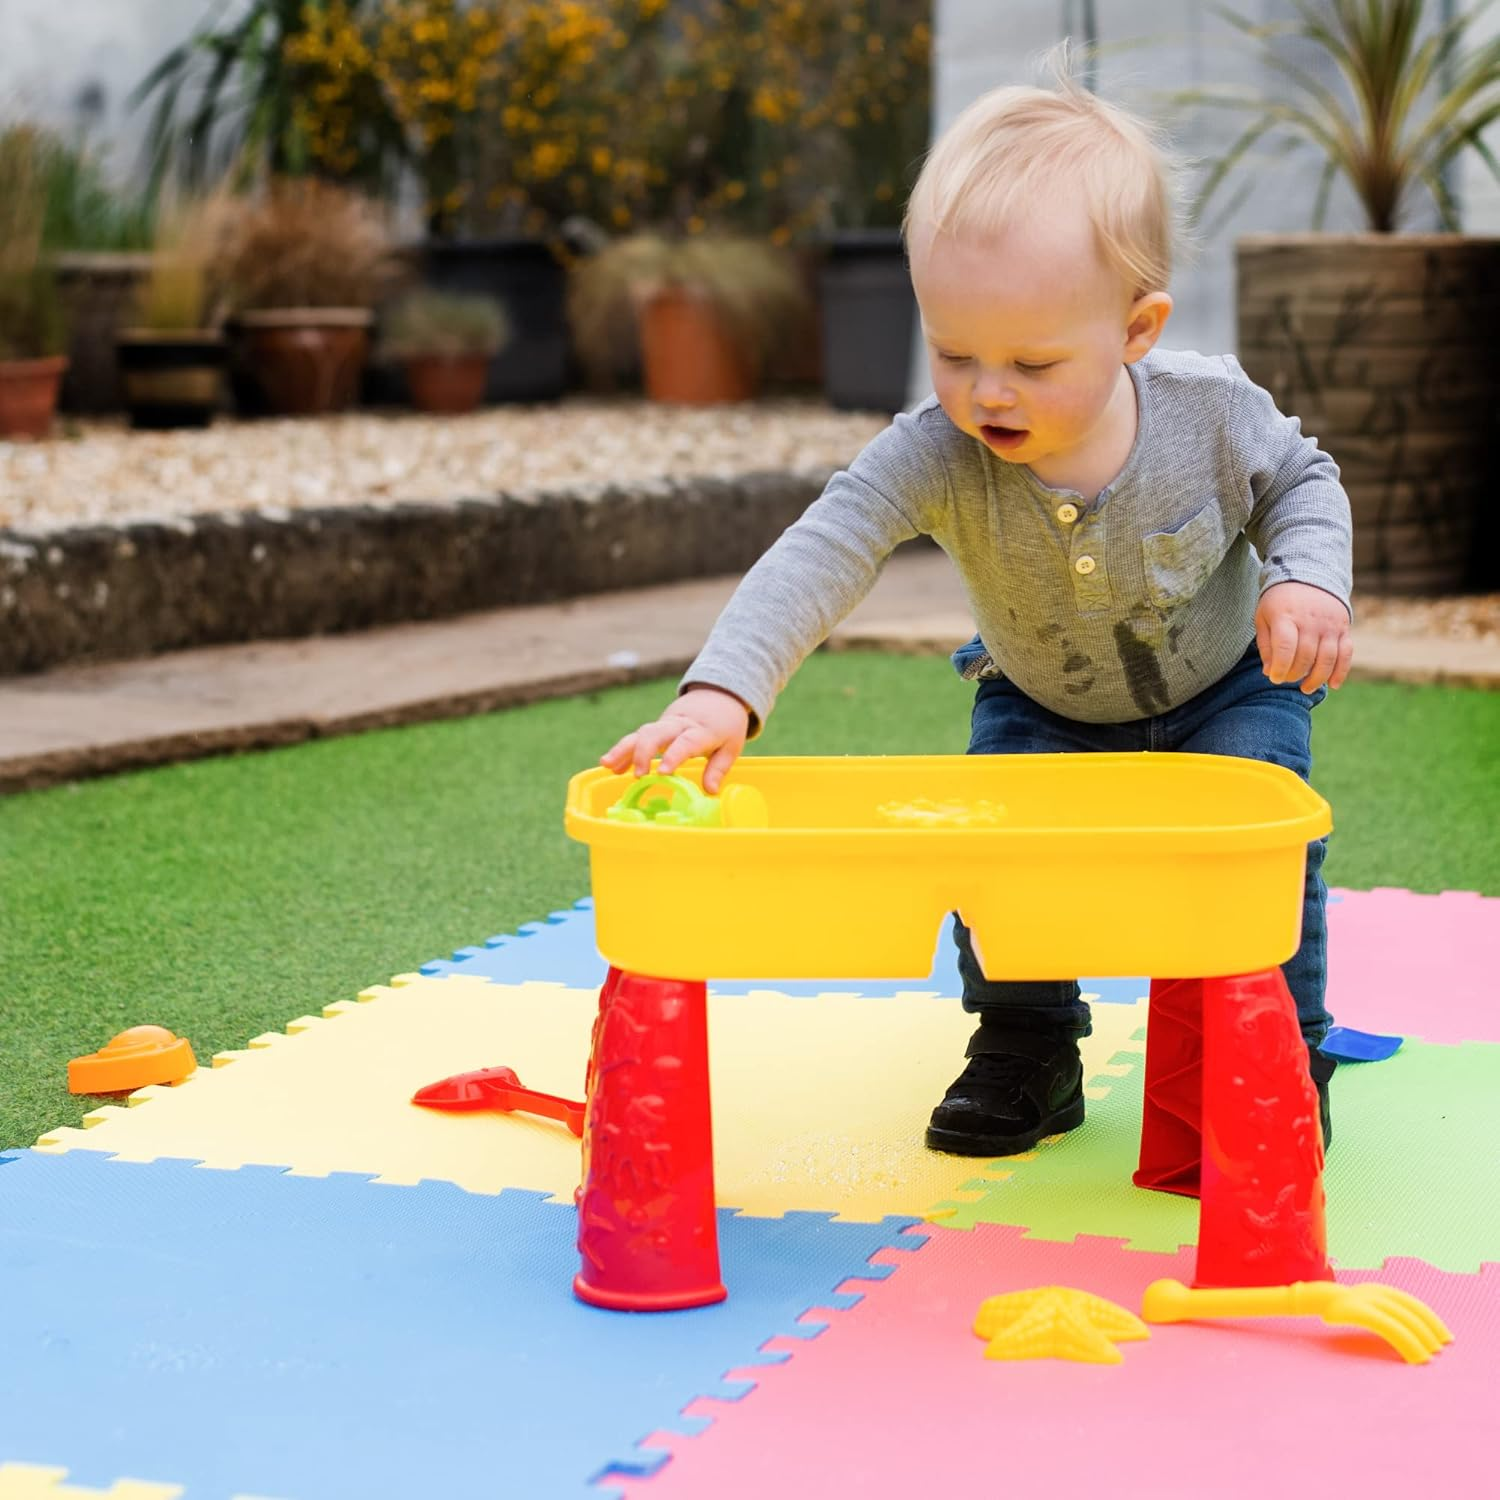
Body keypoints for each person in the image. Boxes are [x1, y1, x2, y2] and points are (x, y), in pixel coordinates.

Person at [600, 58, 1351, 1158]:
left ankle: (1284, 1051)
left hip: (1225, 688)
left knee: (1262, 851)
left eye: (1031, 361)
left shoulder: (1211, 413)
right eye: (954, 352)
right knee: (998, 859)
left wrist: (1306, 577)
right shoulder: (936, 451)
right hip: (1039, 702)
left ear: (1137, 330)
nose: (987, 391)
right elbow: (826, 546)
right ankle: (1026, 1049)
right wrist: (724, 693)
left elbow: (1304, 479)